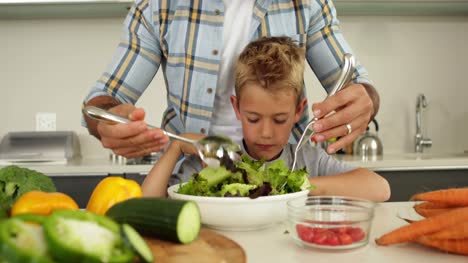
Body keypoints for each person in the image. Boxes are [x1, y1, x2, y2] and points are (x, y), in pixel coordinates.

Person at [82, 0, 380, 158]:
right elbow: (103, 99)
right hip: (189, 182)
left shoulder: (307, 4)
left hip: (284, 184)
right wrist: (108, 121)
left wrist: (365, 102)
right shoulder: (158, 6)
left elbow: (358, 86)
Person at [141, 37, 390, 202]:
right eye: (253, 118)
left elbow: (380, 189)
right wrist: (178, 145)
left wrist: (301, 187)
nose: (266, 133)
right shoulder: (218, 160)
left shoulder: (307, 160)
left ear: (297, 111)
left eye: (280, 119)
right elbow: (149, 202)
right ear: (237, 109)